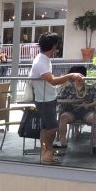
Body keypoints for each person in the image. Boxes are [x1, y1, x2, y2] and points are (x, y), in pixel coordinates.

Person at [29, 32, 84, 164]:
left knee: (46, 128)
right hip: (45, 100)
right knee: (52, 128)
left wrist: (67, 77)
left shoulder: (43, 59)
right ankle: (47, 153)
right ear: (54, 46)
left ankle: (46, 153)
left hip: (46, 99)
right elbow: (52, 81)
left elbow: (50, 79)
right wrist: (71, 75)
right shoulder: (41, 61)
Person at [55, 65, 96, 153]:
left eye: (82, 77)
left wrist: (88, 105)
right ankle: (63, 142)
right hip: (71, 111)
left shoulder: (91, 87)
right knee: (63, 117)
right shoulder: (68, 88)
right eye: (78, 78)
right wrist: (68, 101)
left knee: (95, 117)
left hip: (86, 111)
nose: (80, 79)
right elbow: (58, 99)